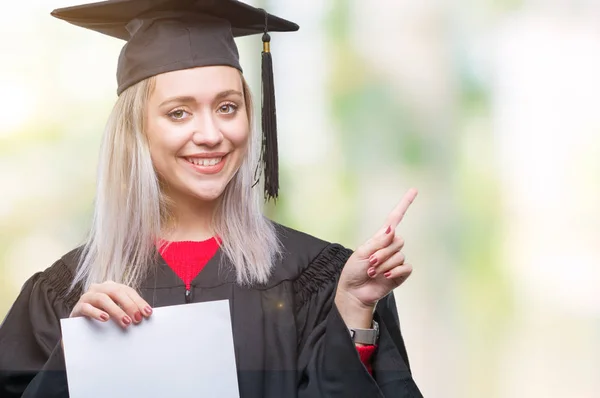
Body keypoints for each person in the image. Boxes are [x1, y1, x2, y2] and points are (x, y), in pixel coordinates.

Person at [0, 0, 423, 397]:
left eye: (227, 107)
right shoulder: (64, 294)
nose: (210, 134)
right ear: (135, 132)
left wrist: (351, 310)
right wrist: (76, 359)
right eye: (178, 112)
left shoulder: (319, 278)